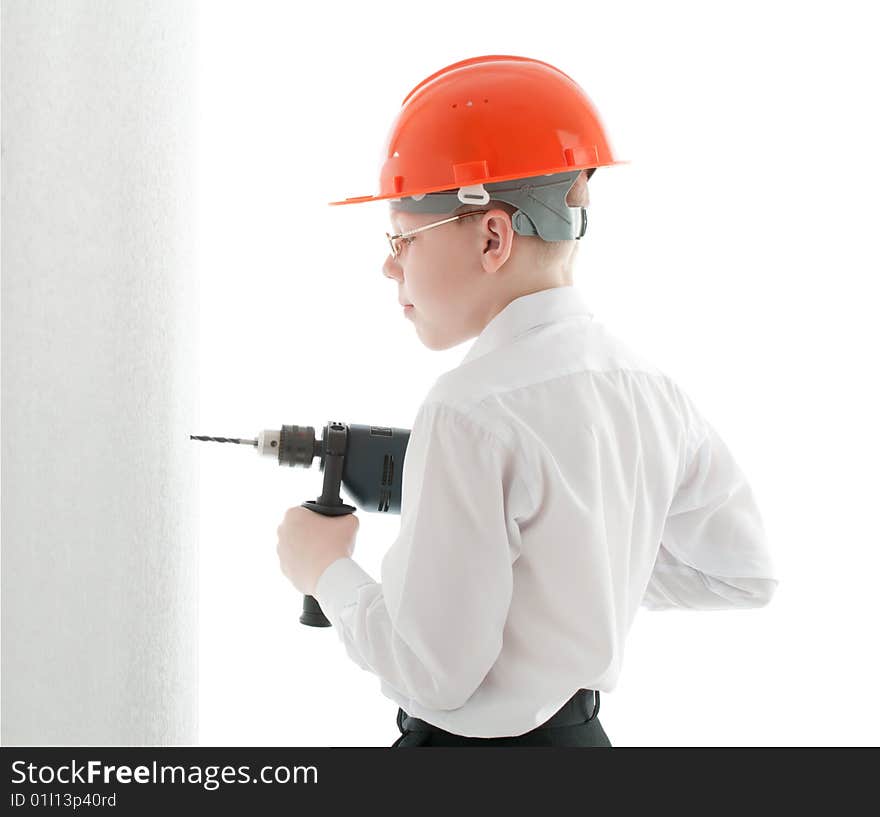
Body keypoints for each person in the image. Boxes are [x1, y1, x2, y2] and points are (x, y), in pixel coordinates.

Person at [275, 55, 779, 747]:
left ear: (492, 236)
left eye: (401, 238)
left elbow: (430, 673)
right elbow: (744, 573)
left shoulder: (467, 413)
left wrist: (323, 566)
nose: (389, 264)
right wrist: (579, 565)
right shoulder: (653, 392)